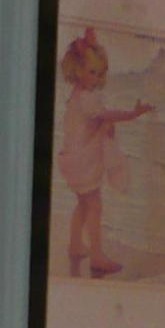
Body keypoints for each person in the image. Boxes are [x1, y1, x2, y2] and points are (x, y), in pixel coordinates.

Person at [57, 26, 153, 278]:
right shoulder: (87, 99)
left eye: (101, 73)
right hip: (82, 159)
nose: (98, 78)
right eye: (92, 72)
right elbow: (107, 115)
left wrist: (104, 126)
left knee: (83, 202)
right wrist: (133, 114)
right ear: (77, 71)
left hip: (74, 157)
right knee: (94, 204)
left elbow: (95, 122)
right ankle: (97, 255)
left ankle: (76, 244)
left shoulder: (81, 94)